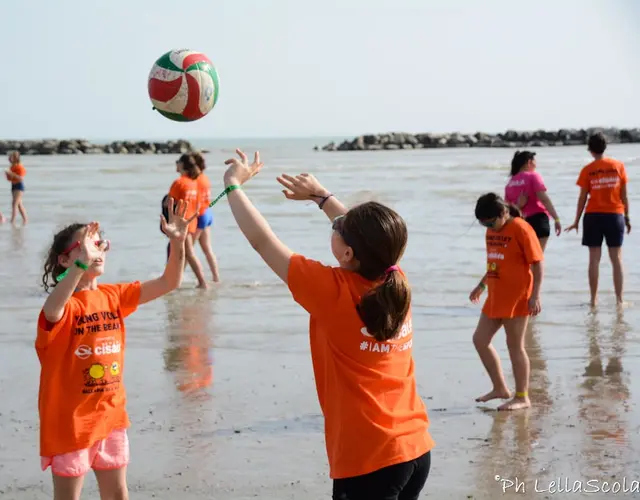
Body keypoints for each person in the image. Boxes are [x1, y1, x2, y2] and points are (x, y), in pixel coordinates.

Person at [222, 149, 434, 500]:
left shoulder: (332, 291)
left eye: (340, 228)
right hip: (415, 448)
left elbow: (262, 241)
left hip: (370, 461)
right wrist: (322, 197)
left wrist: (233, 185)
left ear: (348, 253)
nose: (336, 224)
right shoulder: (396, 282)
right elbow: (373, 238)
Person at [36, 198, 193, 500]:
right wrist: (82, 264)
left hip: (110, 417)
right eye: (84, 247)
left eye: (98, 244)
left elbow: (170, 281)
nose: (96, 251)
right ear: (65, 261)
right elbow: (52, 311)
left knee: (118, 494)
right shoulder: (65, 304)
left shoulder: (115, 296)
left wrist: (178, 242)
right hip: (70, 424)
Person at [469, 193, 544, 411]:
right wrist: (481, 285)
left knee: (515, 347)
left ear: (503, 213)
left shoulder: (521, 228)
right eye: (484, 224)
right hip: (495, 295)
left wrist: (535, 296)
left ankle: (522, 397)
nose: (489, 227)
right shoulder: (492, 231)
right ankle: (500, 388)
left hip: (517, 297)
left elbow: (538, 264)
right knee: (480, 340)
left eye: (491, 222)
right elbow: (495, 262)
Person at [565, 132, 631, 307]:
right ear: (605, 146)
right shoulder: (618, 166)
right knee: (616, 259)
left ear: (590, 150)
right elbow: (624, 196)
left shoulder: (588, 170)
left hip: (593, 216)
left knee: (594, 259)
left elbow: (582, 197)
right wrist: (627, 217)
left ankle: (593, 300)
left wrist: (576, 220)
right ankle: (619, 300)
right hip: (615, 215)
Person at [504, 150, 561, 251]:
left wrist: (518, 205)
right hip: (538, 220)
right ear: (529, 162)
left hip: (520, 223)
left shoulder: (510, 183)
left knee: (524, 261)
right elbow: (544, 199)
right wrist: (556, 219)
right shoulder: (533, 176)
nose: (536, 164)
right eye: (535, 161)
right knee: (537, 259)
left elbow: (506, 210)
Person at [168, 154, 208, 289]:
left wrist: (171, 225)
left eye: (178, 161)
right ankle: (176, 279)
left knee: (189, 253)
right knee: (184, 252)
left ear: (183, 165)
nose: (176, 163)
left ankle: (202, 282)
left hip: (180, 223)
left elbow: (170, 204)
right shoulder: (193, 182)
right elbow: (198, 204)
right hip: (191, 221)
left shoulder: (179, 183)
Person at [192, 152, 221, 282]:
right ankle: (216, 277)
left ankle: (179, 278)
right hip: (207, 213)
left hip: (199, 215)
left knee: (188, 251)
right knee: (207, 249)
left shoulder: (194, 180)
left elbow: (194, 200)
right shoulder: (204, 178)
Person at [5, 151, 28, 225]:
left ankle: (12, 221)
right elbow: (9, 179)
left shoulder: (20, 166)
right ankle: (25, 220)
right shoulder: (12, 167)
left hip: (19, 186)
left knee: (14, 203)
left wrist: (11, 173)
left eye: (12, 157)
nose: (10, 158)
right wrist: (8, 174)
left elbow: (21, 178)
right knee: (19, 204)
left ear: (15, 158)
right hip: (13, 185)